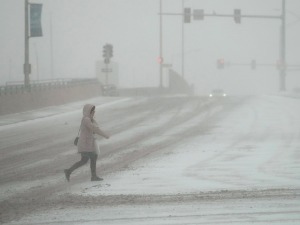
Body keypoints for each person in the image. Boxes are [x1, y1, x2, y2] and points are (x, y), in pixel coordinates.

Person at [64, 104, 109, 181]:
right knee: (92, 157)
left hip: (88, 143)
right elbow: (94, 128)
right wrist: (104, 135)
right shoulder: (86, 120)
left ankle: (69, 171)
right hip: (85, 144)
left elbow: (94, 127)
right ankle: (93, 176)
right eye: (92, 111)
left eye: (94, 111)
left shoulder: (89, 119)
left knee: (85, 160)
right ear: (88, 111)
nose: (94, 112)